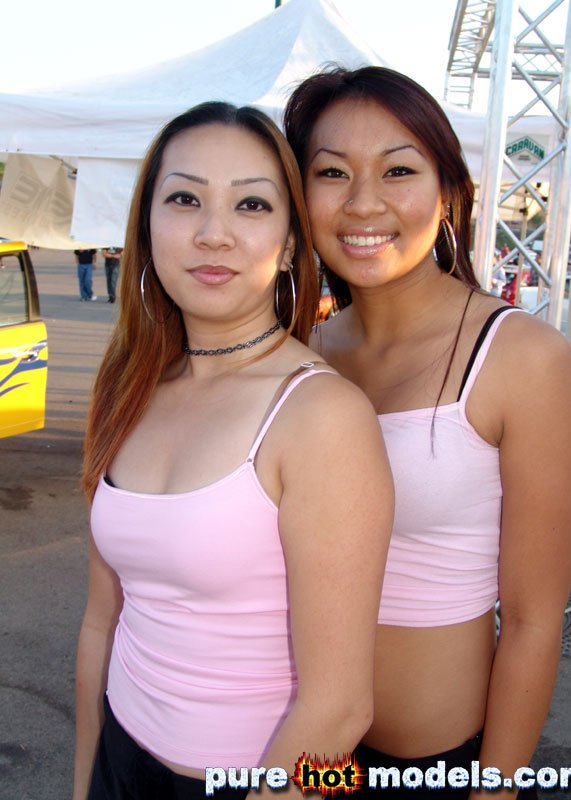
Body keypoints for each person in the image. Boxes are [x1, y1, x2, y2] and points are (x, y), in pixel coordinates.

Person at [73, 101, 394, 800]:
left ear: (290, 244)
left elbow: (340, 710)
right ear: (146, 225)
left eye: (251, 205)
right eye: (184, 199)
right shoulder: (130, 385)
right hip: (118, 758)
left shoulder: (321, 416)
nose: (212, 233)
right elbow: (103, 621)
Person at [284, 66, 571, 799]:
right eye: (332, 172)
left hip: (436, 769)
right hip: (298, 763)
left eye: (398, 170)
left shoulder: (521, 357)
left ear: (448, 190)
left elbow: (533, 621)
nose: (364, 202)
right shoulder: (298, 355)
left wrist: (495, 788)